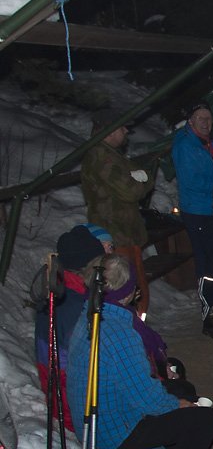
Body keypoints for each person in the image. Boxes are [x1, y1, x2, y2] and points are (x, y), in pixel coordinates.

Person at [66, 254, 213, 449]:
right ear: (128, 291)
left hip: (97, 423)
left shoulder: (91, 315)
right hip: (115, 434)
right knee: (206, 420)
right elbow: (148, 400)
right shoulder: (119, 332)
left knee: (181, 388)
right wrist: (181, 405)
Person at [81, 108, 154, 317]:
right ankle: (130, 330)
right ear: (110, 130)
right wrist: (140, 181)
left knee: (136, 288)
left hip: (126, 233)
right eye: (121, 127)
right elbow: (131, 189)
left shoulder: (112, 155)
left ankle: (138, 329)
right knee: (122, 288)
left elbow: (145, 174)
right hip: (114, 235)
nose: (125, 131)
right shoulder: (100, 156)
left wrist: (143, 178)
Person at [33, 226, 106, 431]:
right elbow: (77, 372)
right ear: (89, 266)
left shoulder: (63, 291)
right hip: (76, 408)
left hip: (67, 398)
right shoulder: (74, 305)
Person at [171, 101, 213, 326]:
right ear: (191, 121)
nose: (206, 123)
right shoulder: (186, 146)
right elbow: (194, 181)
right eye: (201, 118)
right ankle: (209, 312)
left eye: (209, 119)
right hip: (198, 209)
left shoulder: (208, 143)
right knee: (207, 262)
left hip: (212, 209)